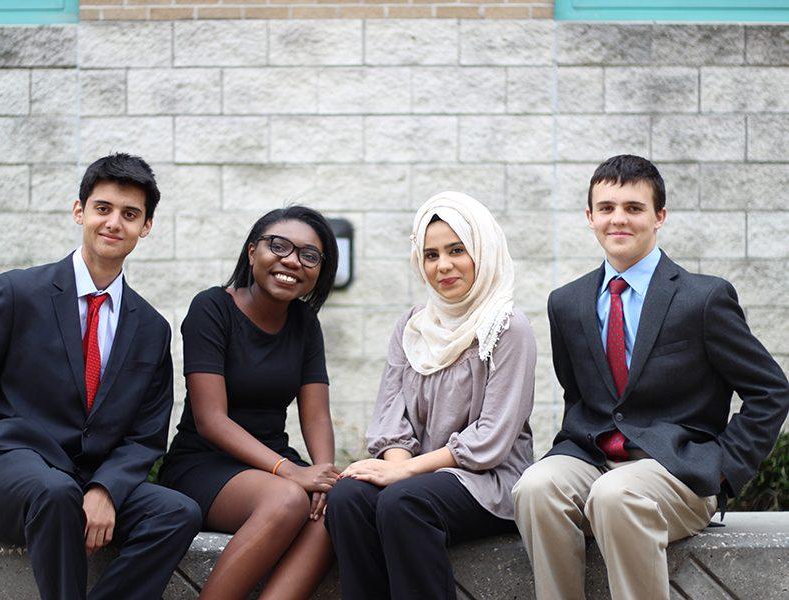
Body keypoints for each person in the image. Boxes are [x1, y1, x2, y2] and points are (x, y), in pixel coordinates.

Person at [0, 153, 202, 600]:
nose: (114, 223)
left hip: (86, 479)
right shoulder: (19, 293)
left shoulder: (150, 328)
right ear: (80, 211)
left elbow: (146, 436)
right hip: (8, 470)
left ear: (145, 227)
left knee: (178, 512)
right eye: (103, 208)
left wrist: (106, 489)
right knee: (54, 493)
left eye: (130, 215)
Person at [513, 154, 789, 600]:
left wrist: (723, 469)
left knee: (615, 494)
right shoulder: (566, 303)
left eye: (633, 208)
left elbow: (770, 390)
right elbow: (578, 395)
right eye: (606, 208)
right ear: (589, 217)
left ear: (659, 217)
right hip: (595, 459)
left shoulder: (703, 298)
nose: (618, 219)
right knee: (535, 486)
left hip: (677, 472)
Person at [325, 191, 537, 600]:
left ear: (483, 250)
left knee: (403, 502)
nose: (443, 266)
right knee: (349, 496)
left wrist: (404, 474)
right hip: (420, 477)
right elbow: (391, 416)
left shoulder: (507, 328)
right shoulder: (413, 325)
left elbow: (492, 437)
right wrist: (396, 466)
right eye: (430, 254)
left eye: (457, 250)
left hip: (487, 481)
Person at [159, 206, 340, 600]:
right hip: (204, 463)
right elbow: (211, 420)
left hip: (273, 465)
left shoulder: (306, 324)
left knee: (338, 508)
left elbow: (316, 414)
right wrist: (289, 471)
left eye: (309, 255)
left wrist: (323, 476)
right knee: (289, 499)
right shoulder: (212, 308)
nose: (292, 261)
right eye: (280, 246)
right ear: (253, 251)